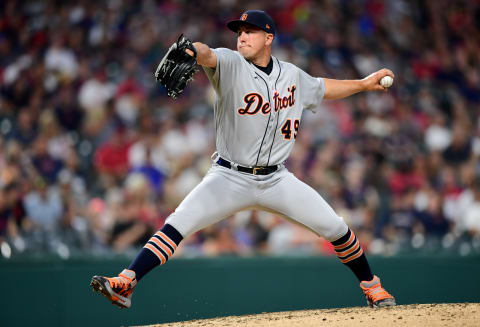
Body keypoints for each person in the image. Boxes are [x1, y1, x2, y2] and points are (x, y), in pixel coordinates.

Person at [91, 10, 396, 309]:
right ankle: (126, 282)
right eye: (239, 32)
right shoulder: (231, 63)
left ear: (269, 38)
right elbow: (207, 53)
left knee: (336, 227)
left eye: (250, 31)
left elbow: (322, 87)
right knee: (176, 224)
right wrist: (190, 49)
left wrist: (364, 83)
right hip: (229, 177)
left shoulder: (291, 74)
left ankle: (372, 287)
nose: (242, 37)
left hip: (277, 178)